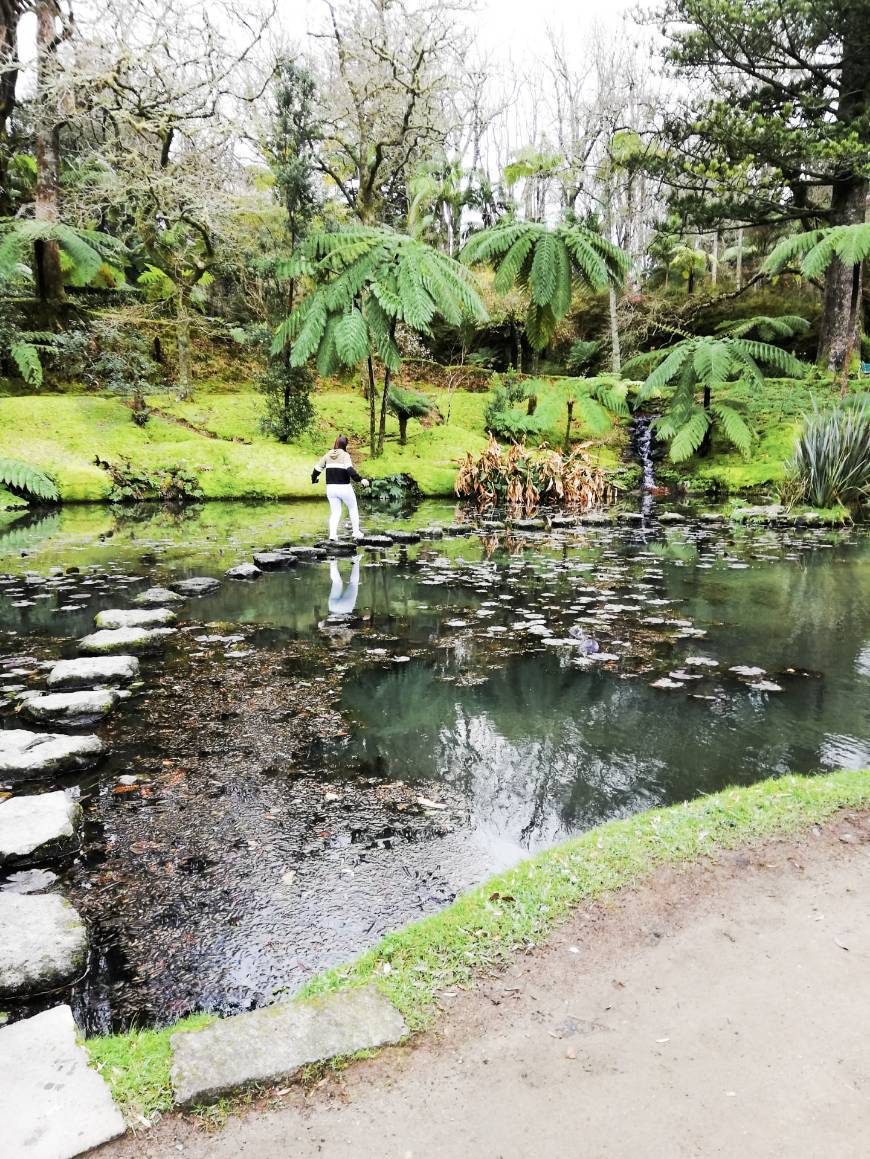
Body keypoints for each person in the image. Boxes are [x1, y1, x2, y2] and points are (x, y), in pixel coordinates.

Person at [311, 435, 370, 540]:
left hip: (331, 489)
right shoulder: (345, 455)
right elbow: (349, 470)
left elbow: (316, 469)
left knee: (335, 512)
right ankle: (356, 532)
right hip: (344, 488)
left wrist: (314, 479)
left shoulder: (327, 455)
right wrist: (360, 479)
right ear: (345, 445)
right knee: (352, 508)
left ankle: (332, 535)